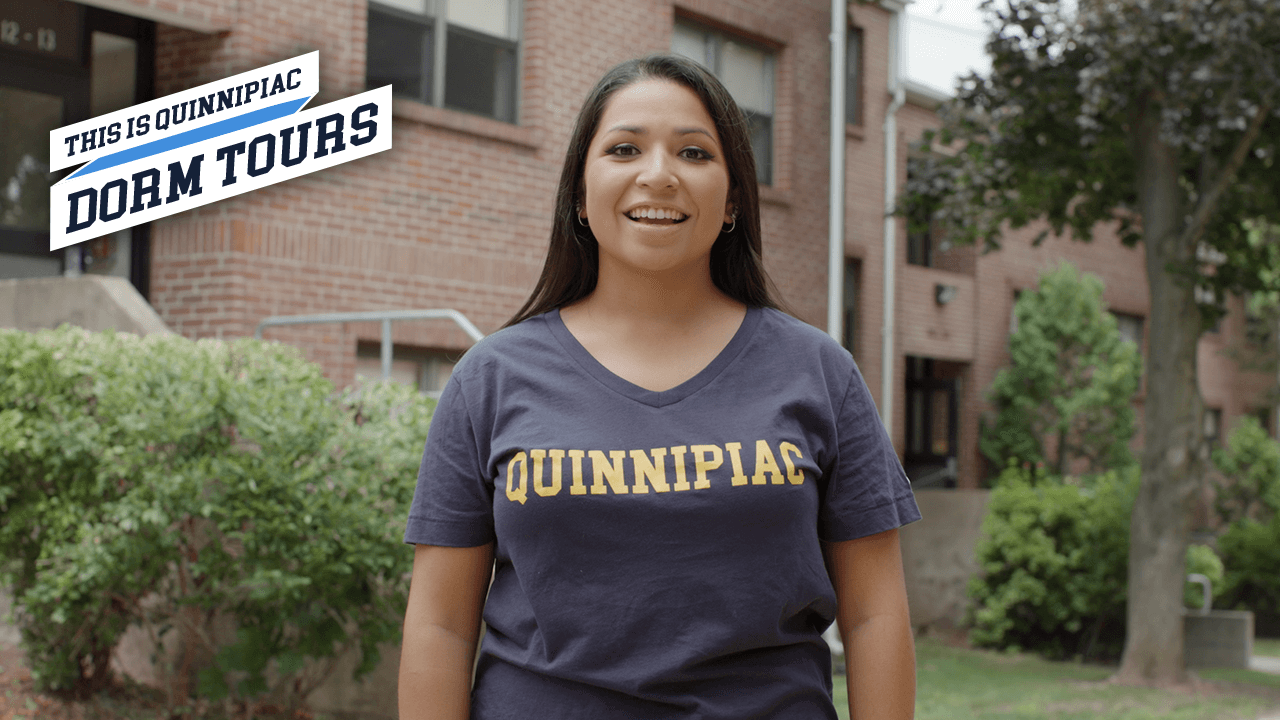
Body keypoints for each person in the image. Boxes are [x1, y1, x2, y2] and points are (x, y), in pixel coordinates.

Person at [398, 54, 920, 720]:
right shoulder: (491, 378)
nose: (658, 175)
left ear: (732, 198)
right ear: (580, 196)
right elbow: (440, 623)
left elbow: (875, 614)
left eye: (694, 153)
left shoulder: (818, 371)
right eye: (623, 148)